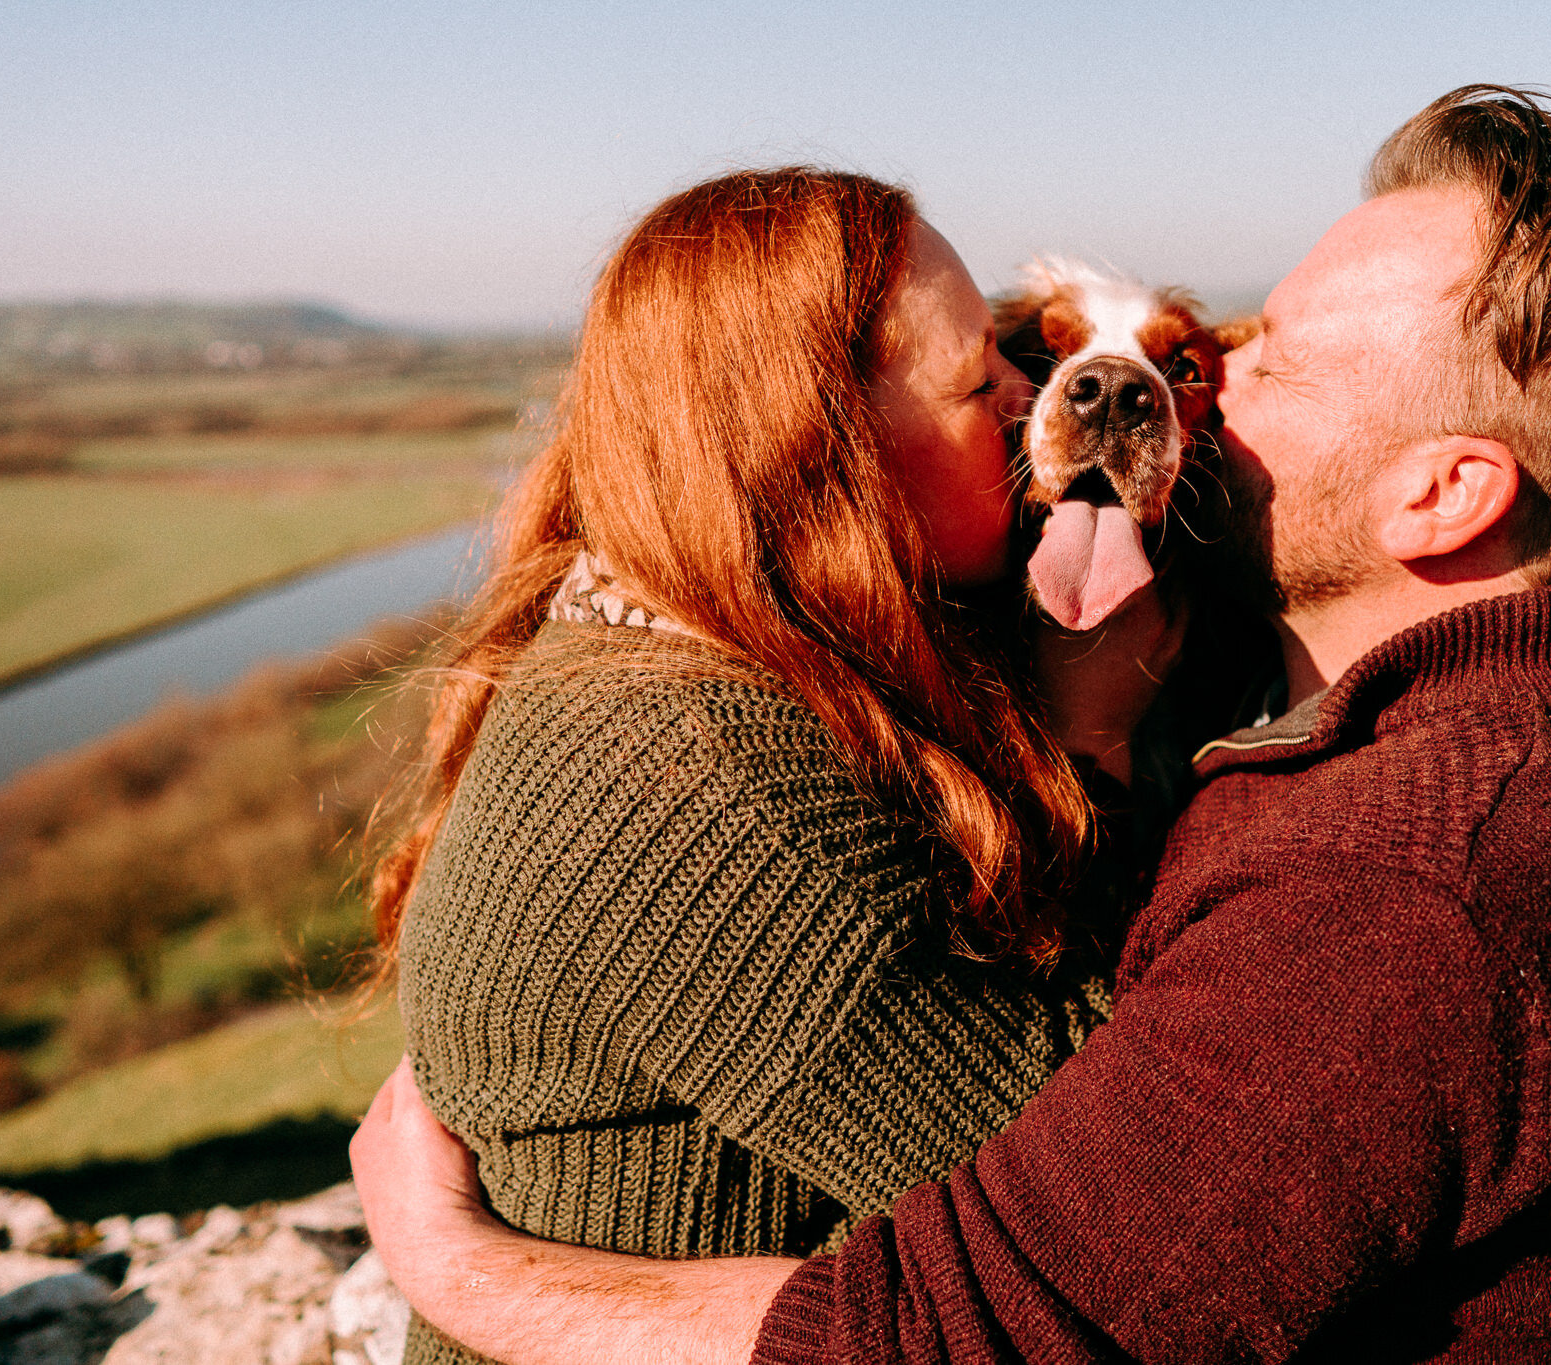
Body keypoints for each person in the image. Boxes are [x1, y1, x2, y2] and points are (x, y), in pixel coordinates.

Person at [352, 86, 1551, 1362]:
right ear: (818, 450)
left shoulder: (1406, 879)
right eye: (999, 363)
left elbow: (991, 1311)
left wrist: (458, 1268)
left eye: (1260, 358)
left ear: (1441, 497)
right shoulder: (1530, 689)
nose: (1185, 390)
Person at [371, 167, 1188, 1365]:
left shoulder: (678, 645)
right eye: (986, 376)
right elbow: (1131, 1225)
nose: (1031, 401)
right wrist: (1100, 741)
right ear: (827, 450)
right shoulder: (700, 790)